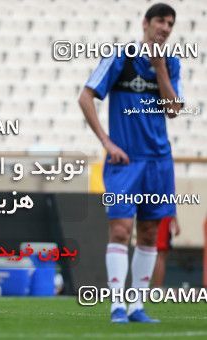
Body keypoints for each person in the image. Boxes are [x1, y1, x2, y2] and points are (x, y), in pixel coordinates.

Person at [78, 3, 182, 323]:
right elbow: (86, 97)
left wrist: (161, 69)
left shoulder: (172, 62)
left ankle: (136, 306)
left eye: (170, 24)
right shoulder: (120, 57)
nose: (165, 28)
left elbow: (174, 109)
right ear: (146, 23)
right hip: (125, 162)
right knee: (121, 231)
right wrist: (107, 142)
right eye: (161, 22)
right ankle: (117, 306)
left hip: (158, 162)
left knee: (150, 234)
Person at [152, 216, 180, 287]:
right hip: (162, 213)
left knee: (158, 254)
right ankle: (156, 289)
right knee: (160, 254)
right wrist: (175, 220)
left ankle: (154, 287)